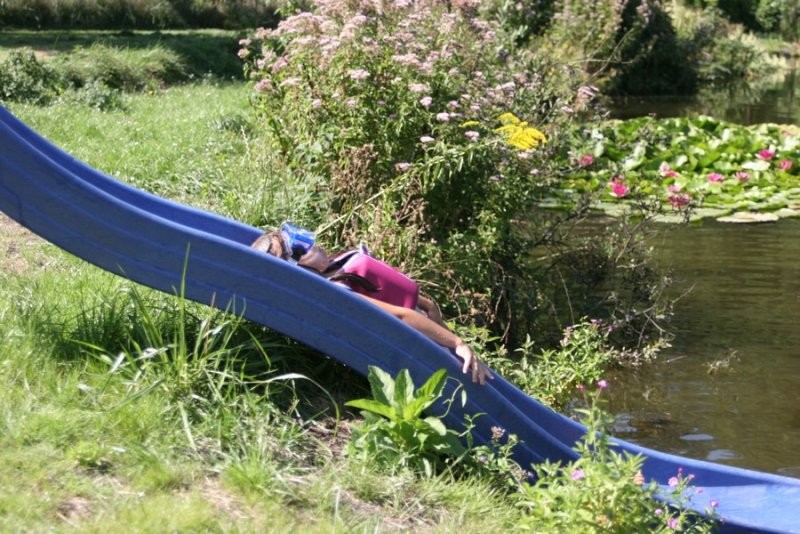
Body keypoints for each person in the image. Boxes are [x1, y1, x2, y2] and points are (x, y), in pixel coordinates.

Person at [252, 229, 493, 385]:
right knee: (473, 374)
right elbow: (400, 316)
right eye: (301, 251)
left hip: (429, 324)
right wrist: (457, 343)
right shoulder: (338, 292)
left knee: (483, 371)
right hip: (420, 341)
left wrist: (430, 306)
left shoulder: (332, 267)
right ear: (298, 270)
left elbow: (388, 287)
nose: (313, 247)